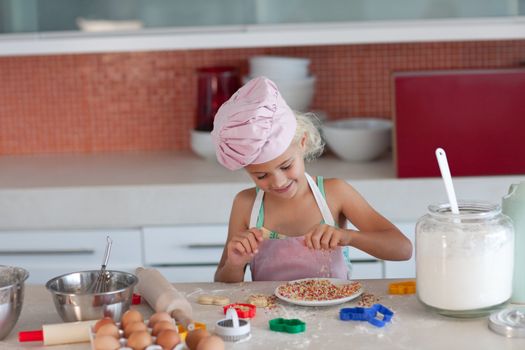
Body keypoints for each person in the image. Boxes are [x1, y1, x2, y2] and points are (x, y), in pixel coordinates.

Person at [212, 76, 412, 283]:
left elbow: (402, 249)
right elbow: (222, 282)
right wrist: (235, 264)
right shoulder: (245, 205)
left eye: (286, 166)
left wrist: (348, 237)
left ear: (303, 143)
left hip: (334, 314)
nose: (278, 182)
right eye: (261, 175)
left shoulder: (336, 193)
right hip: (270, 315)